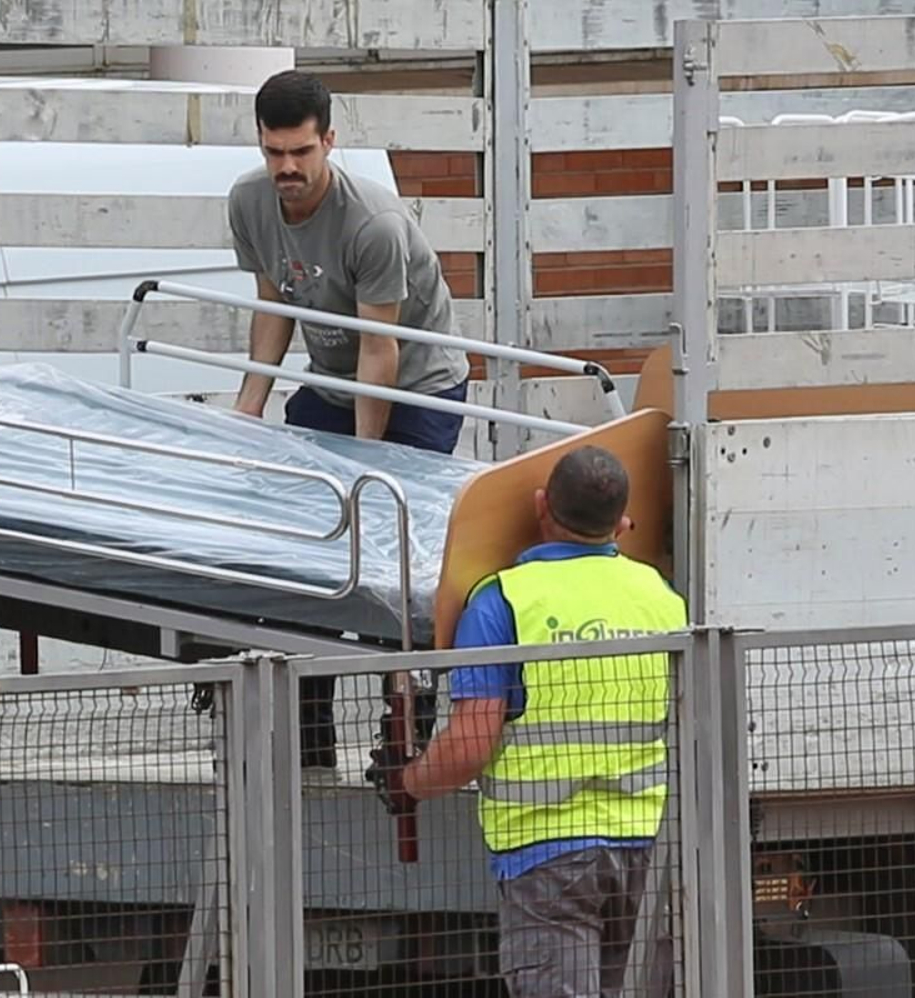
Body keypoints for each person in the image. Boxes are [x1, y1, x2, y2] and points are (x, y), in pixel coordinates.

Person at [369, 445, 686, 997]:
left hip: (549, 856)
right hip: (650, 847)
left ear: (542, 505)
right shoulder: (660, 597)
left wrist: (407, 783)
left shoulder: (503, 602)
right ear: (623, 521)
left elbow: (471, 743)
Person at [227, 69, 471, 767]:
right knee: (314, 544)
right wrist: (250, 406)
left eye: (301, 153)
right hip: (331, 381)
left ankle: (409, 731)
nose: (288, 169)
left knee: (398, 553)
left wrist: (370, 458)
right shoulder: (249, 201)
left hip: (416, 386)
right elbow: (275, 306)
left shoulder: (375, 224)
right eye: (275, 153)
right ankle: (312, 734)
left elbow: (380, 348)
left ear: (329, 141)